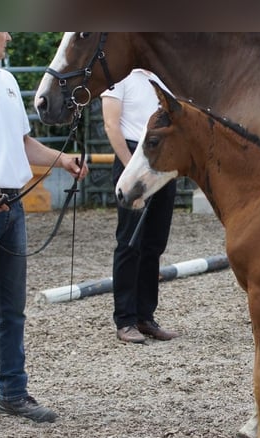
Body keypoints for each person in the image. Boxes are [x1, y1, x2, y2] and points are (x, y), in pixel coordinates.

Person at [0, 32, 88, 434]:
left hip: (12, 206)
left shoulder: (8, 81)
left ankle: (13, 394)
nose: (9, 35)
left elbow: (21, 143)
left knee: (11, 308)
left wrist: (62, 160)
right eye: (2, 30)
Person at [102, 69, 180, 344]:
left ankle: (146, 316)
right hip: (134, 159)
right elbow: (111, 125)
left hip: (160, 160)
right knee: (129, 242)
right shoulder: (120, 78)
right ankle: (125, 318)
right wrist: (130, 171)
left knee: (154, 243)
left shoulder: (161, 77)